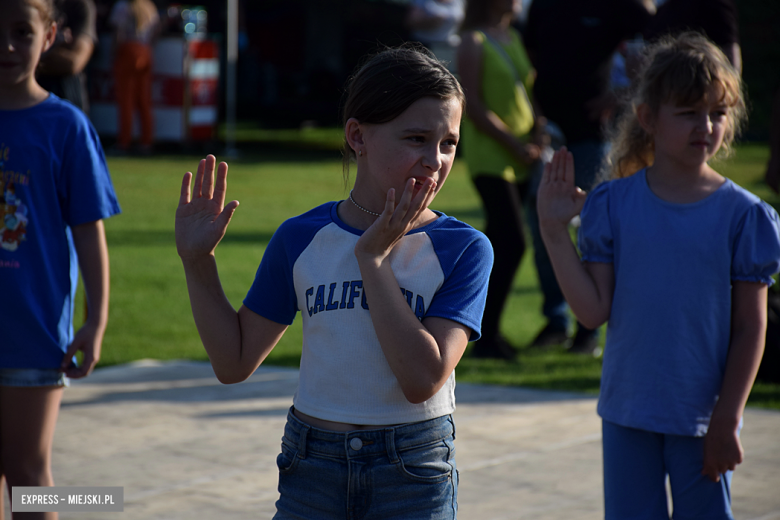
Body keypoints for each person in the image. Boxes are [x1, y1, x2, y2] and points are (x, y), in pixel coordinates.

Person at [175, 46, 492, 519]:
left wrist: (374, 257)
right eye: (416, 138)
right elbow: (234, 361)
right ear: (357, 136)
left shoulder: (464, 247)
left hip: (412, 468)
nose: (435, 159)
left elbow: (422, 378)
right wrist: (198, 262)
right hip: (313, 463)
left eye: (448, 142)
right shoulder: (301, 238)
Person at [537, 33, 780, 518]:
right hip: (627, 415)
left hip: (703, 420)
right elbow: (591, 312)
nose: (705, 126)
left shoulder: (744, 216)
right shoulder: (612, 204)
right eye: (688, 112)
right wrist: (553, 230)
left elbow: (751, 327)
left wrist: (726, 419)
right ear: (648, 117)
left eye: (717, 112)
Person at [0, 0, 121, 517]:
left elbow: (89, 233)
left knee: (28, 476)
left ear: (50, 36)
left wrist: (95, 322)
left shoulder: (66, 126)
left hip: (34, 334)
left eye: (21, 32)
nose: (5, 45)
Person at [523, 0, 653, 354]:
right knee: (543, 225)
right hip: (549, 135)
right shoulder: (541, 6)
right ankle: (556, 321)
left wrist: (622, 94)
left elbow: (661, 47)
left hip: (592, 136)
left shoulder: (620, 7)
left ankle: (587, 329)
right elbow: (529, 56)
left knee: (593, 228)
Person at [457, 0, 542, 359]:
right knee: (512, 241)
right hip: (492, 156)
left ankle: (482, 334)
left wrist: (538, 132)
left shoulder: (514, 38)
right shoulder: (471, 41)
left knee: (492, 248)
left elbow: (529, 93)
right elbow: (472, 105)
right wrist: (513, 143)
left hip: (521, 155)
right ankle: (484, 335)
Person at [108, 0, 159, 154]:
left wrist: (113, 53)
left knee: (126, 101)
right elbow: (157, 30)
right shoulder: (149, 6)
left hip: (128, 51)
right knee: (144, 101)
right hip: (145, 51)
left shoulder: (122, 6)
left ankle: (124, 142)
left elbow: (118, 33)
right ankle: (146, 141)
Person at [36, 0, 97, 113]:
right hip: (25, 101)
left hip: (67, 96)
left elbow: (73, 62)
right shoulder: (26, 4)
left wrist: (35, 54)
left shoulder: (78, 5)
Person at [405, 0, 465, 72]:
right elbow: (410, 22)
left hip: (450, 48)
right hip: (425, 47)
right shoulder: (421, 1)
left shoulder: (459, 2)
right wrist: (429, 22)